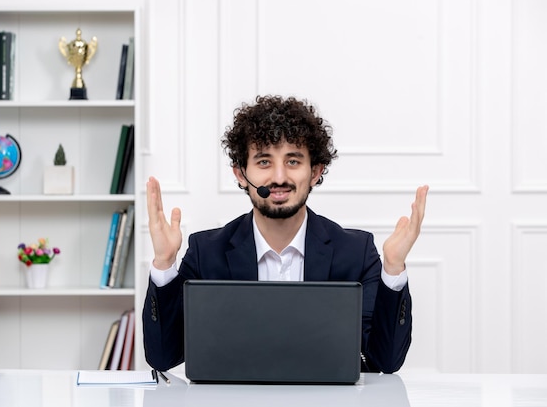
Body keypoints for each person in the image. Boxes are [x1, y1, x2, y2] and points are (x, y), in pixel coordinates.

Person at [143, 94, 429, 373]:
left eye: (293, 161)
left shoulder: (355, 252)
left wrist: (392, 270)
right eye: (264, 162)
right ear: (241, 174)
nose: (279, 178)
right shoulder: (206, 252)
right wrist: (164, 265)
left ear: (315, 171)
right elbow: (163, 358)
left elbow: (385, 362)